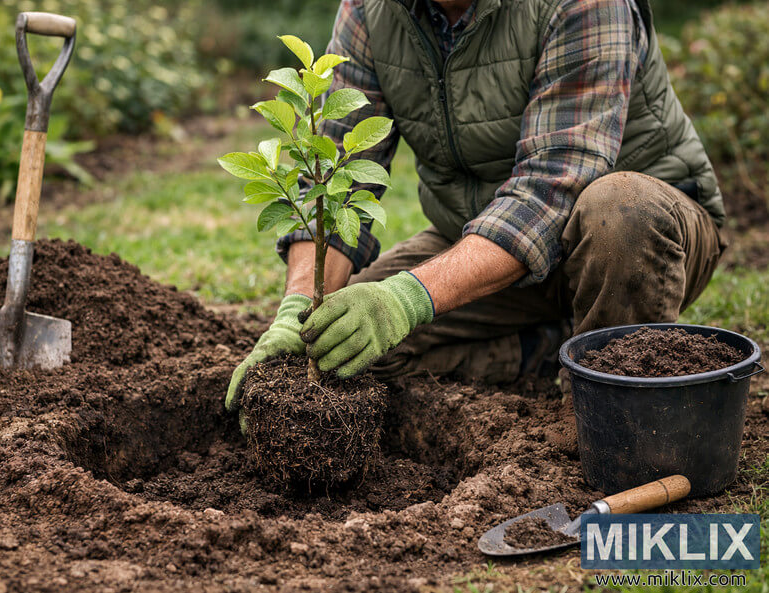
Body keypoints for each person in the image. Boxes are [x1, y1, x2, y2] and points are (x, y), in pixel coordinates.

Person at [226, 0, 726, 412]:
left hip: (637, 238)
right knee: (348, 346)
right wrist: (296, 314)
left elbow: (555, 187)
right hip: (482, 238)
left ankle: (616, 409)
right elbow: (333, 182)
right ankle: (550, 349)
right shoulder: (371, 12)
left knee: (621, 208)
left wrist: (406, 299)